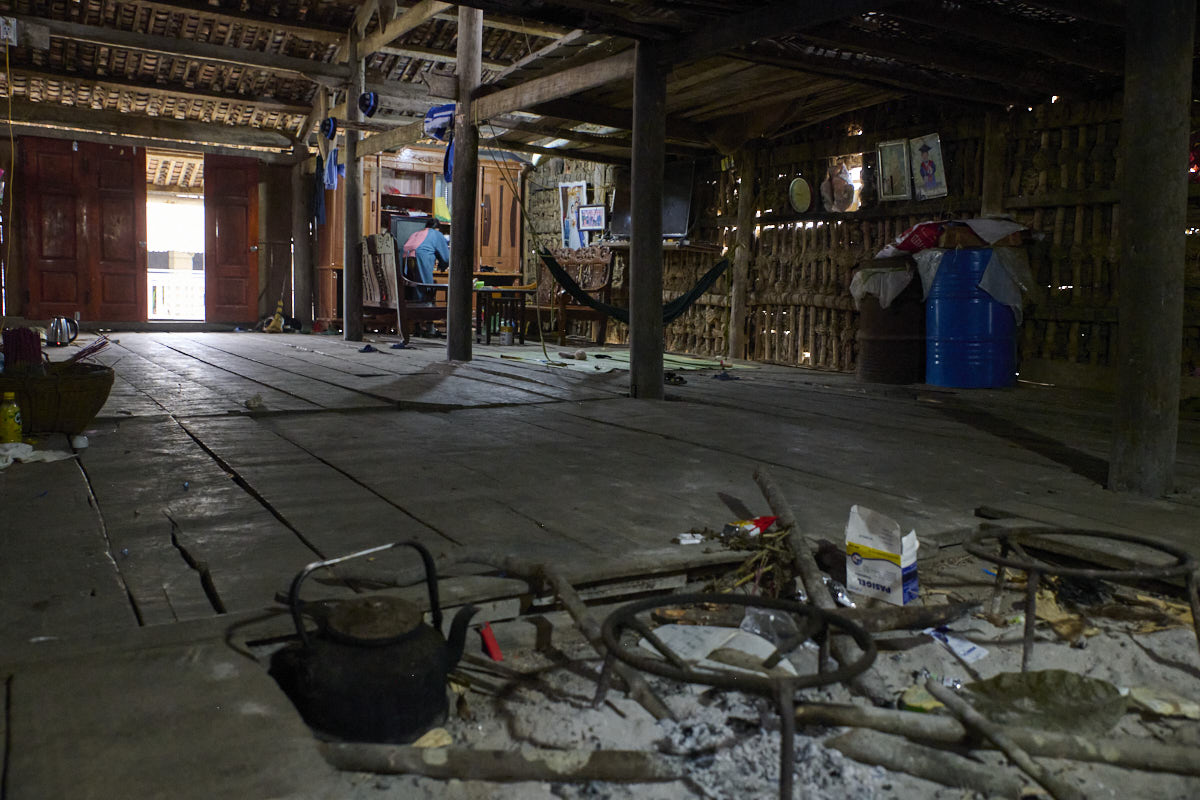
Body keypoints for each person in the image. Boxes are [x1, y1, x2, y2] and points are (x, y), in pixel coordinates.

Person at [402, 219, 450, 303]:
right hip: (421, 256)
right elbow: (446, 258)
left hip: (406, 258)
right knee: (425, 290)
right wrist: (442, 267)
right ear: (437, 228)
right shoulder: (436, 234)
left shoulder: (416, 233)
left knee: (412, 289)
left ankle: (413, 308)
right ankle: (426, 308)